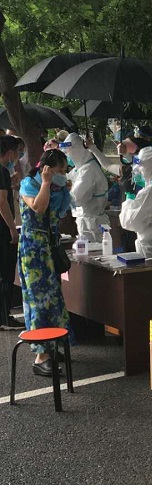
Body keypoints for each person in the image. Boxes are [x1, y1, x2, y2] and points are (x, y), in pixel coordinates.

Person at [19, 149, 73, 376]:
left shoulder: (58, 190)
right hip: (33, 249)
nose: (63, 174)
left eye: (65, 171)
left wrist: (61, 189)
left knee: (53, 299)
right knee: (38, 300)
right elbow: (38, 207)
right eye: (60, 170)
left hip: (50, 248)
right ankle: (41, 356)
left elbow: (59, 214)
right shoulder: (29, 184)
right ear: (47, 168)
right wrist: (46, 183)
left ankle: (52, 345)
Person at [61, 132, 109, 241]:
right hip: (88, 222)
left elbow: (76, 199)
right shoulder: (81, 168)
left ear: (77, 149)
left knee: (94, 251)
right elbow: (66, 179)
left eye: (68, 151)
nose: (67, 155)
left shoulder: (88, 170)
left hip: (92, 225)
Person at [0, 136, 21, 330]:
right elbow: (1, 202)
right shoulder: (2, 171)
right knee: (5, 272)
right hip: (2, 229)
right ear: (10, 152)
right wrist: (12, 229)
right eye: (18, 152)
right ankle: (4, 317)